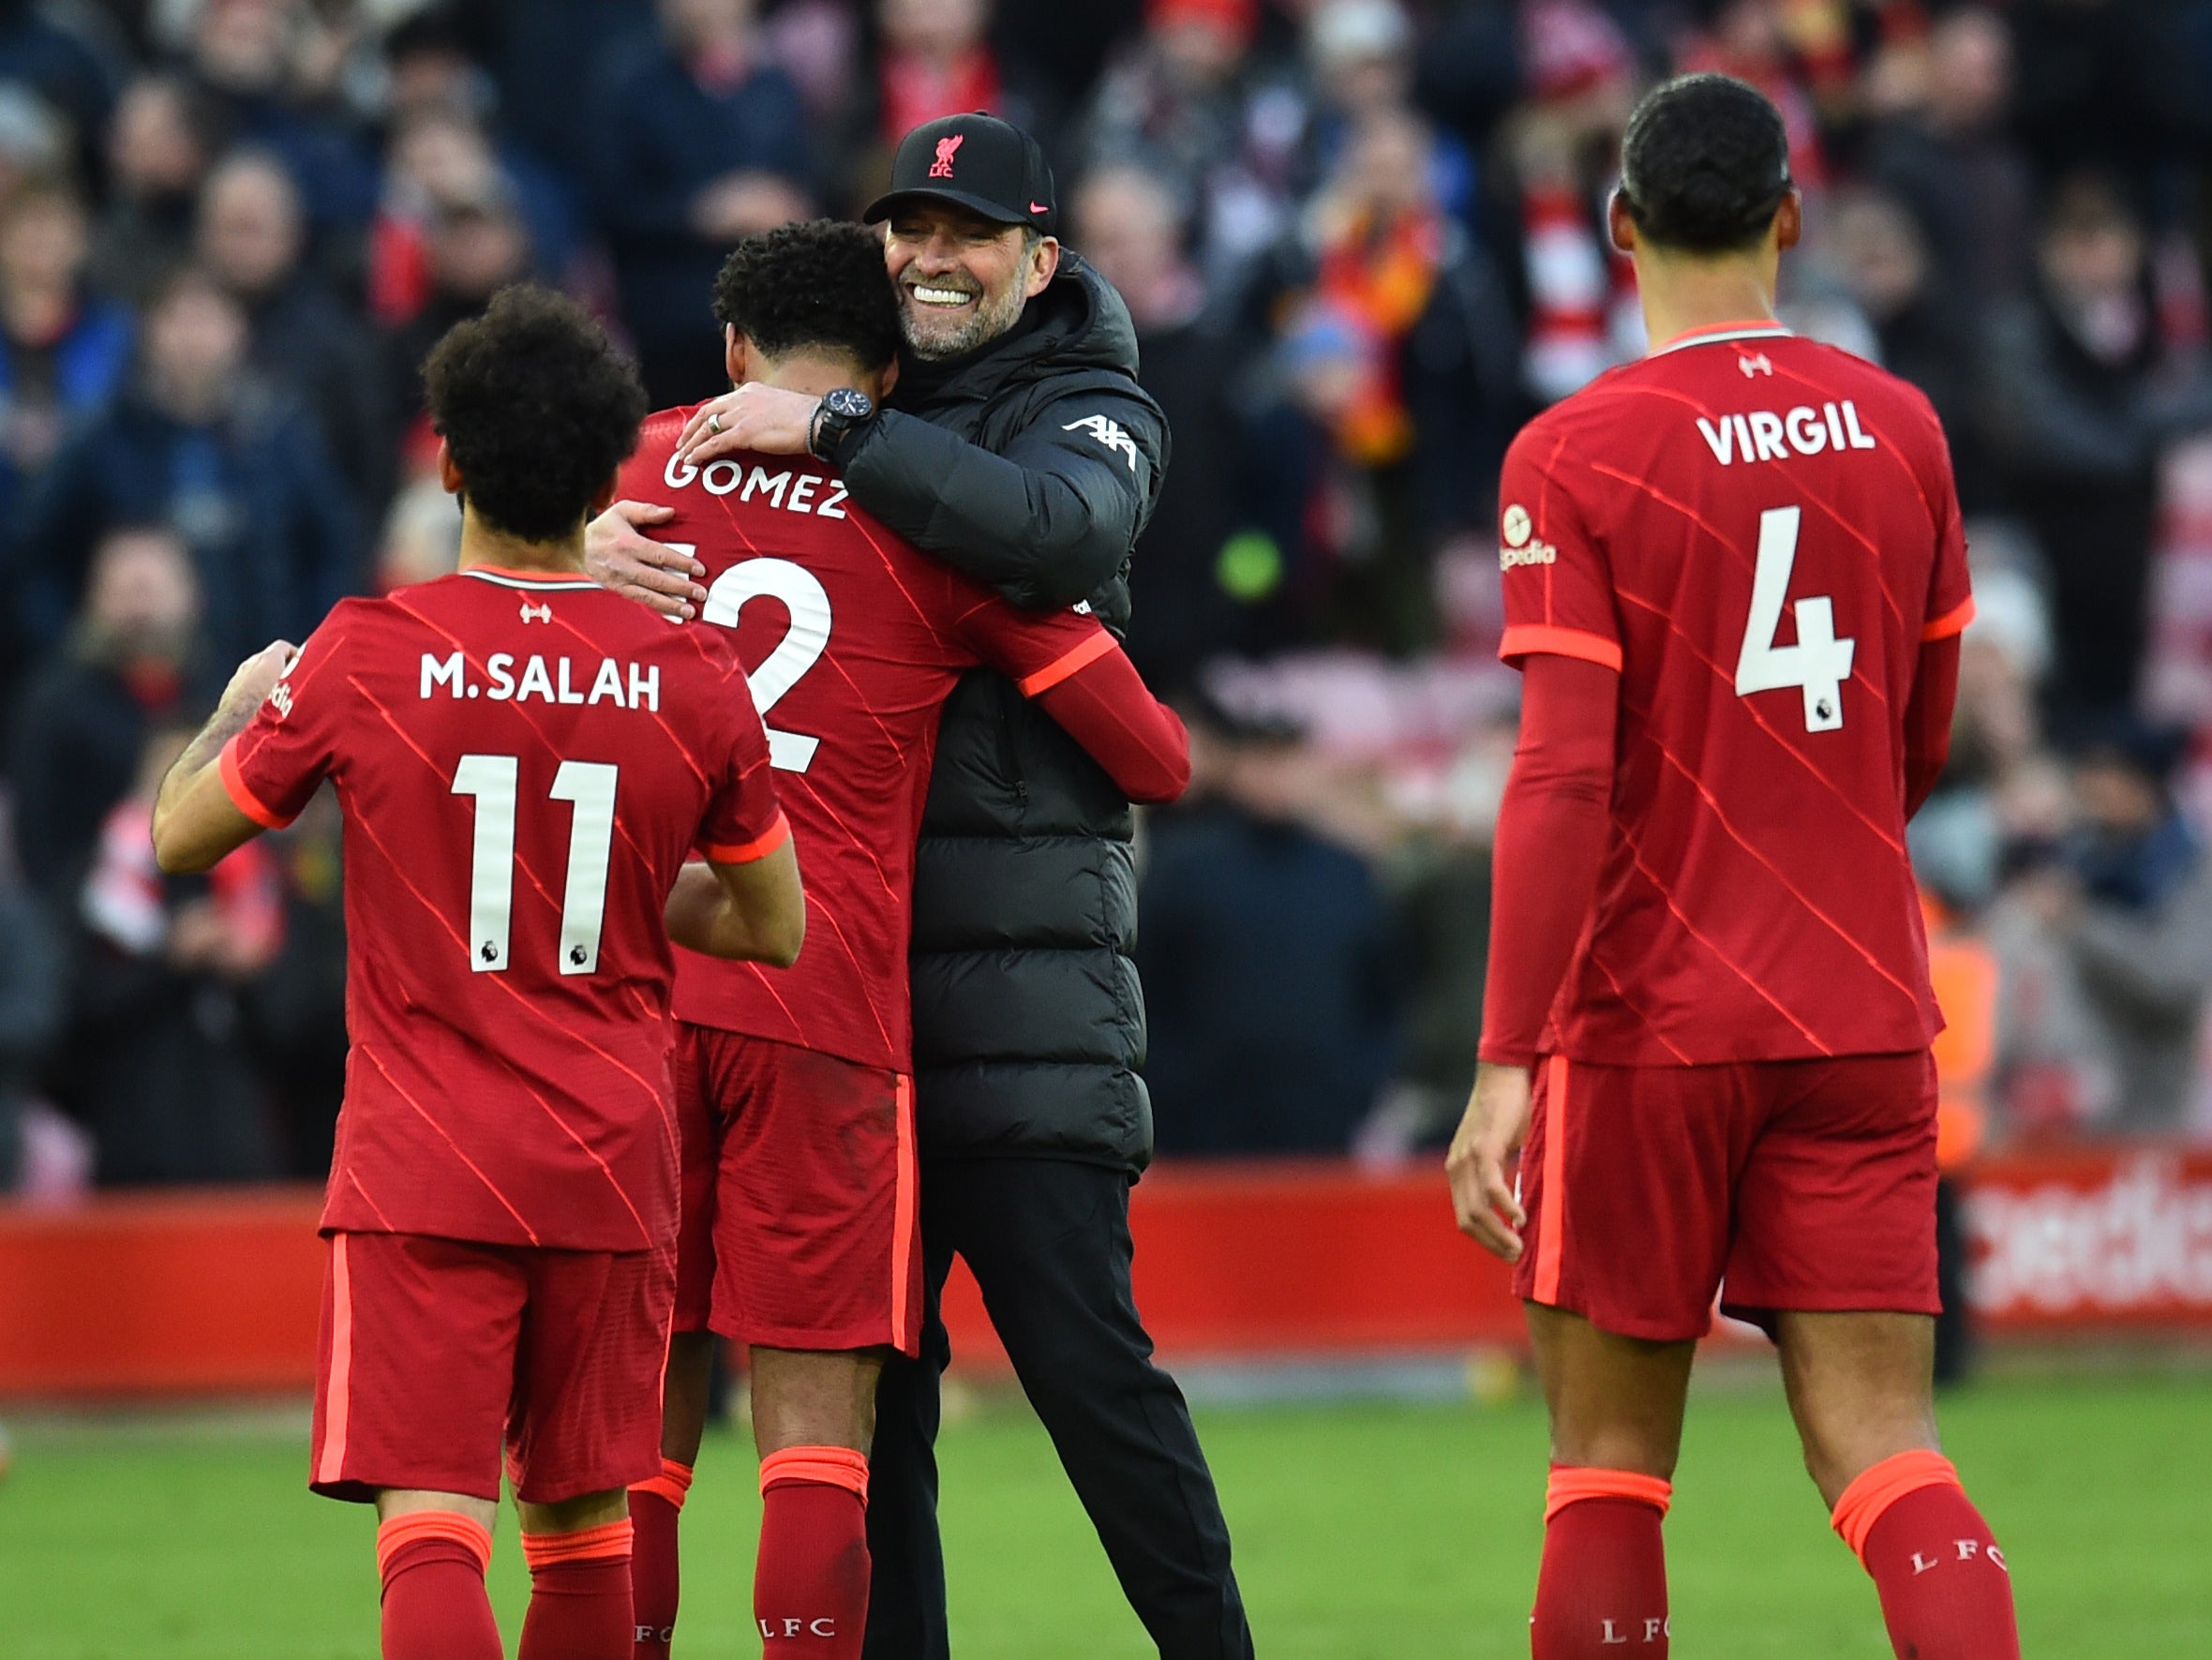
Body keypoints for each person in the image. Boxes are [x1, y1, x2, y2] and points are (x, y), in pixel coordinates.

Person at [591, 112, 1255, 1660]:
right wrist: (602, 550)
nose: (930, 259)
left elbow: (1062, 531)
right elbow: (1148, 748)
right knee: (871, 1425)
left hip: (1013, 1002)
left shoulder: (1089, 403)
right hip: (843, 1012)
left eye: (966, 233)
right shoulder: (823, 446)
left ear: (1040, 253)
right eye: (909, 231)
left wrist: (810, 439)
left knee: (1092, 1388)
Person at [1444, 75, 2023, 1660]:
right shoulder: (1903, 429)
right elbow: (1922, 739)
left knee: (1610, 1474)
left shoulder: (1576, 451)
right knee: (1888, 1450)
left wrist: (1505, 1064)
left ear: (1621, 228)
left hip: (1648, 1019)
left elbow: (1562, 776)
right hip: (1856, 999)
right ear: (1788, 217)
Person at [146, 285, 805, 1660]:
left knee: (434, 1526)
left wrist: (223, 717)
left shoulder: (365, 654)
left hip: (424, 1163)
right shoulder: (692, 675)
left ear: (445, 458)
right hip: (613, 1160)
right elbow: (774, 926)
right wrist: (628, 892)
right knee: (582, 1537)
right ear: (600, 472)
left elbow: (178, 840)